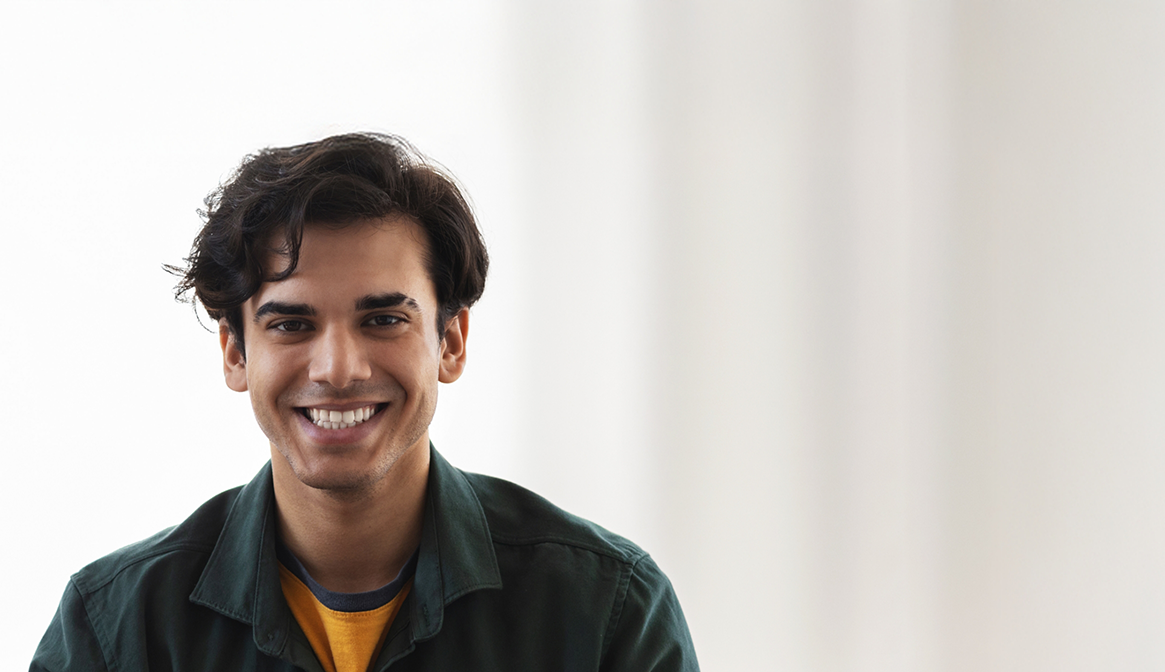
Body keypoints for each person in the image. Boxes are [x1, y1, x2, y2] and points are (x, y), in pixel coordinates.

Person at [31, 133, 699, 672]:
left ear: (451, 342)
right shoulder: (117, 630)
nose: (338, 370)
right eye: (291, 325)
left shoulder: (604, 609)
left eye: (383, 320)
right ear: (235, 353)